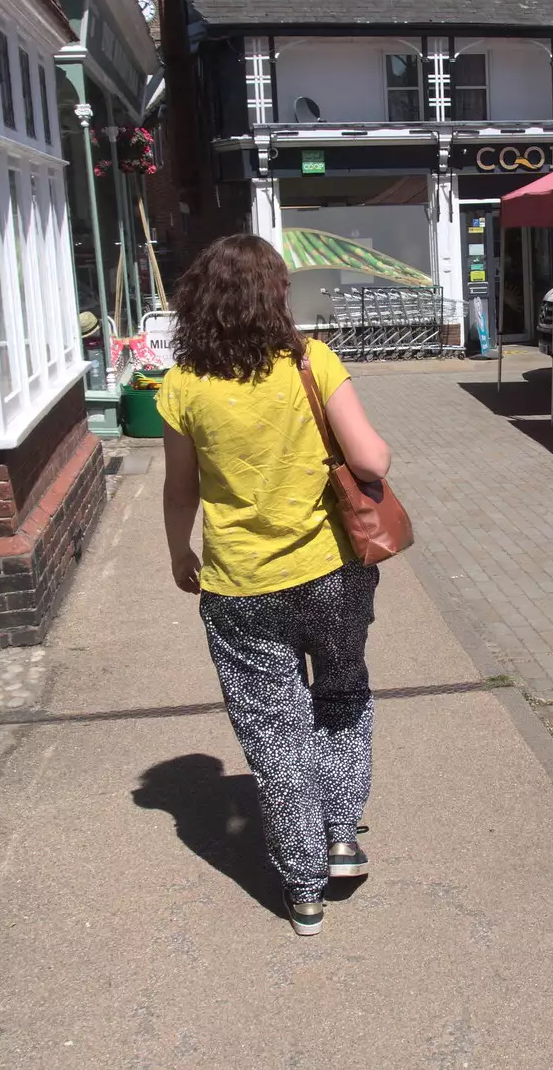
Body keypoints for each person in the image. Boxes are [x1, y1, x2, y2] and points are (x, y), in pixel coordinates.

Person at [157, 234, 393, 937]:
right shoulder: (310, 361)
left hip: (240, 585)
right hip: (332, 571)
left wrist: (179, 552)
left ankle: (304, 886)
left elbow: (180, 490)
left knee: (276, 731)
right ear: (274, 298)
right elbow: (369, 455)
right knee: (343, 689)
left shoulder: (182, 385)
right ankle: (341, 833)